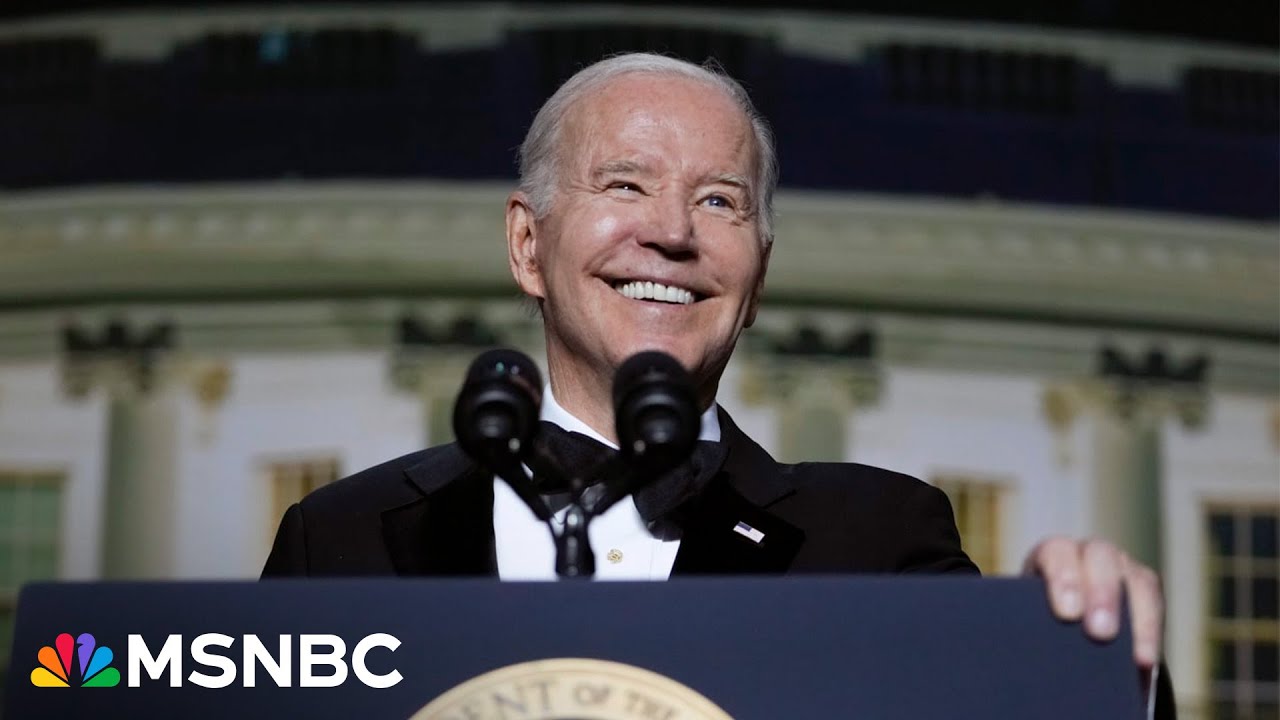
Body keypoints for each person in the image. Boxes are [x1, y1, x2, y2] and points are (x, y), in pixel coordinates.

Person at [263, 52, 1167, 709]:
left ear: (759, 277)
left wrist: (1096, 659)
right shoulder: (341, 538)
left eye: (718, 200)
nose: (673, 234)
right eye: (625, 184)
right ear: (528, 245)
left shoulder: (876, 540)